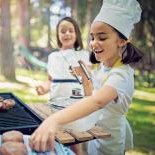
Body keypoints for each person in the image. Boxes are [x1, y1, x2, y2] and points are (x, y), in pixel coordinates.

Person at [30, 0, 143, 155]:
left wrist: (53, 120)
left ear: (122, 41)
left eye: (102, 38)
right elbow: (91, 95)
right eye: (92, 37)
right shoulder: (103, 68)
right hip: (94, 135)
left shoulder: (121, 75)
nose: (94, 43)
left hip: (110, 142)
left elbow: (97, 102)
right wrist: (84, 78)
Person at [35, 17, 96, 155]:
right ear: (58, 35)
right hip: (54, 108)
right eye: (63, 31)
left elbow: (90, 80)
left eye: (70, 30)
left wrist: (85, 70)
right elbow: (50, 80)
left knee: (75, 145)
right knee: (55, 143)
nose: (67, 34)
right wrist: (43, 89)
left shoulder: (83, 55)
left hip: (76, 109)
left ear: (77, 34)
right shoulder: (52, 57)